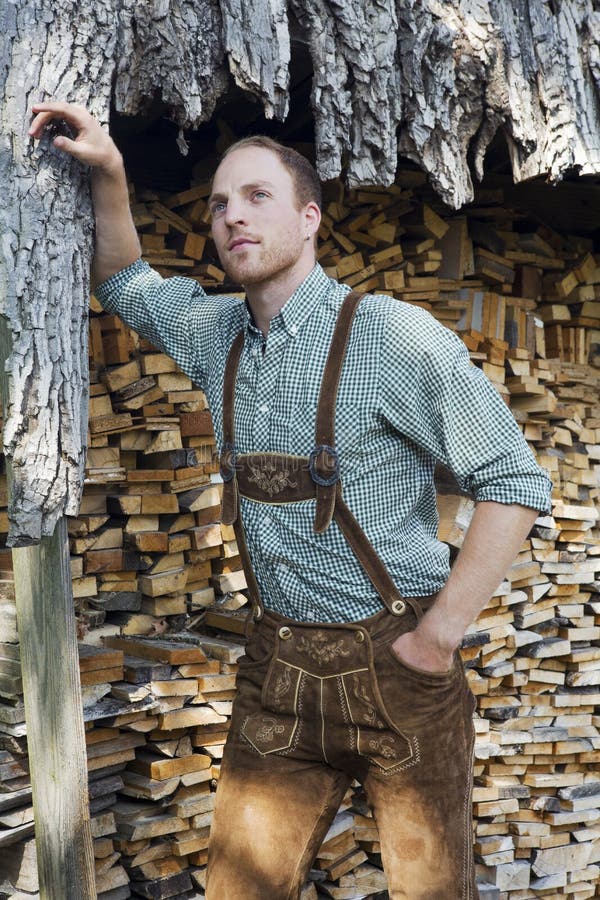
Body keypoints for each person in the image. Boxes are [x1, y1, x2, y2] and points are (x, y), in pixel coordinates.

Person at [29, 102, 552, 900]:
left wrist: (438, 637)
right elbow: (125, 280)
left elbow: (513, 481)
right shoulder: (216, 335)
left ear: (309, 218)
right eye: (218, 203)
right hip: (278, 673)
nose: (232, 214)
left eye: (257, 197)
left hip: (398, 667)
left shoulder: (392, 338)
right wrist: (110, 173)